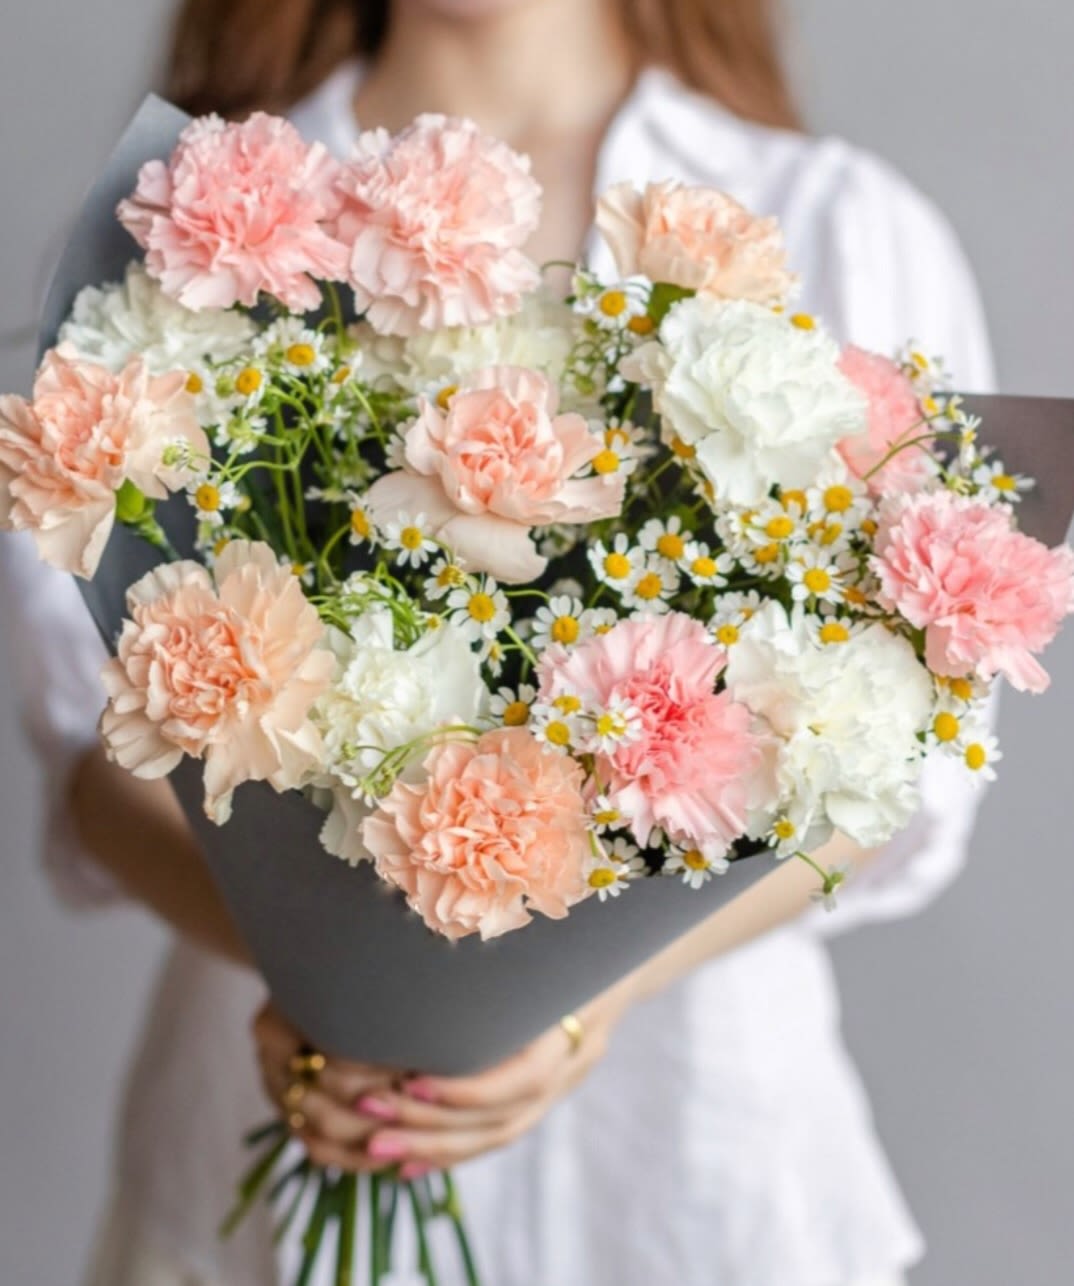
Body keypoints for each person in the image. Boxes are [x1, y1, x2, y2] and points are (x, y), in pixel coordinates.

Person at [0, 1, 995, 1283]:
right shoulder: (192, 223)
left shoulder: (835, 222)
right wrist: (337, 1002)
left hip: (694, 1168)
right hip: (263, 1134)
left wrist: (578, 1004)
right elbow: (91, 751)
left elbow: (896, 771)